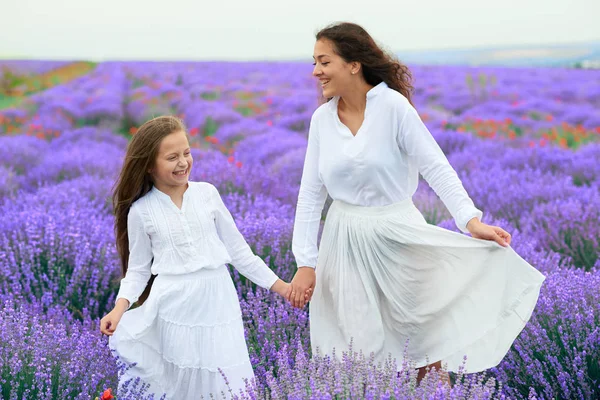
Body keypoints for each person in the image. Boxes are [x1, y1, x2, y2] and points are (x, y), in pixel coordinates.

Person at [287, 22, 546, 383]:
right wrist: (306, 262)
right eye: (314, 62)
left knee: (422, 347)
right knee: (356, 353)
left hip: (398, 237)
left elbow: (436, 167)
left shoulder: (393, 108)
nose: (315, 71)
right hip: (343, 242)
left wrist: (470, 221)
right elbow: (310, 194)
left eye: (324, 61)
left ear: (353, 64)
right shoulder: (321, 121)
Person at [99, 116, 292, 399]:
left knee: (225, 377)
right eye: (172, 157)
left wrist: (283, 287)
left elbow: (240, 253)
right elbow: (139, 271)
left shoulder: (207, 194)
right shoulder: (141, 211)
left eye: (187, 153)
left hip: (218, 298)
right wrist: (119, 308)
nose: (183, 162)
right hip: (174, 305)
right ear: (150, 166)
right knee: (182, 380)